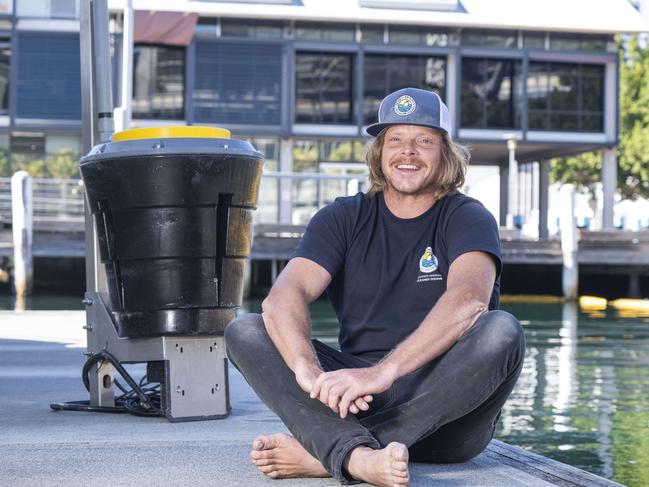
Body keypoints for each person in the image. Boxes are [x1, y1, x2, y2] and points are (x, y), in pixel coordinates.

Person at [225, 87, 525, 487]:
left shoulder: (468, 217)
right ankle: (358, 454)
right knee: (246, 329)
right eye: (395, 139)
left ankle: (333, 453)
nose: (408, 151)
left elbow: (469, 301)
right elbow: (285, 297)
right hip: (358, 399)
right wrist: (308, 371)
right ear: (380, 152)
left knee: (502, 331)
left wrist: (383, 373)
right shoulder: (342, 217)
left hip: (446, 413)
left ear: (446, 153)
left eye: (424, 141)